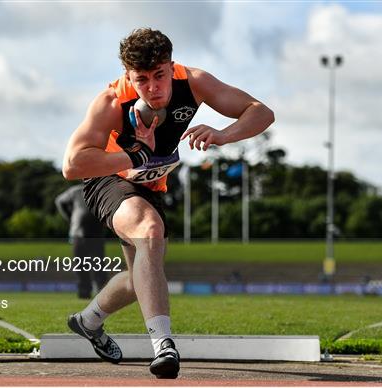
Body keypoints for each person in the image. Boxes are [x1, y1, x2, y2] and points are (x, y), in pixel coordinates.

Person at [62, 28, 274, 379]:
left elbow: (260, 113)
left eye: (159, 75)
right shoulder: (112, 101)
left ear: (171, 67)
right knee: (150, 229)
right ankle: (164, 346)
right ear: (129, 76)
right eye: (141, 80)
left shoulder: (194, 82)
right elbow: (73, 164)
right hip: (108, 179)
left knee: (141, 276)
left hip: (152, 187)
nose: (152, 88)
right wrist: (133, 154)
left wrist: (223, 135)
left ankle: (88, 321)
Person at [55, 184, 108, 299]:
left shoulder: (101, 190)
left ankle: (103, 292)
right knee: (80, 264)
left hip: (96, 233)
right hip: (78, 233)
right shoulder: (76, 191)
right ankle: (84, 291)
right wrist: (70, 217)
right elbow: (59, 201)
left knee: (98, 264)